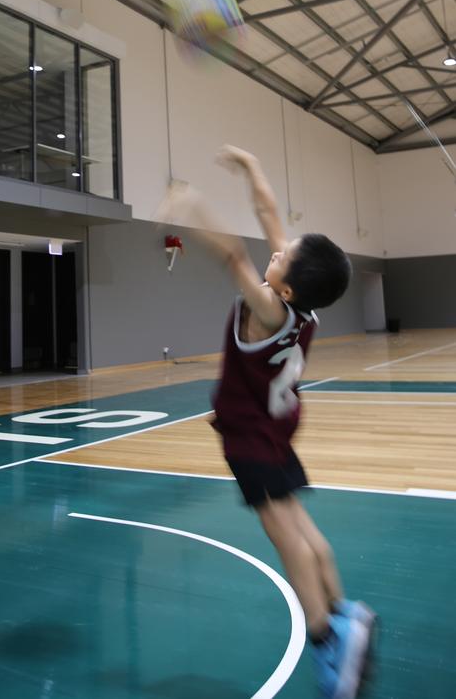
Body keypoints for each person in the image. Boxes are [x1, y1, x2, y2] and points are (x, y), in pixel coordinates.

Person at [156, 146, 375, 699]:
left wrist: (191, 206)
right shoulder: (302, 308)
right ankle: (346, 611)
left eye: (283, 256)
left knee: (286, 539)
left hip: (254, 439)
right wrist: (253, 168)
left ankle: (328, 642)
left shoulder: (269, 307)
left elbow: (232, 256)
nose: (275, 251)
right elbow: (271, 216)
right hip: (274, 425)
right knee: (303, 527)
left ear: (286, 286)